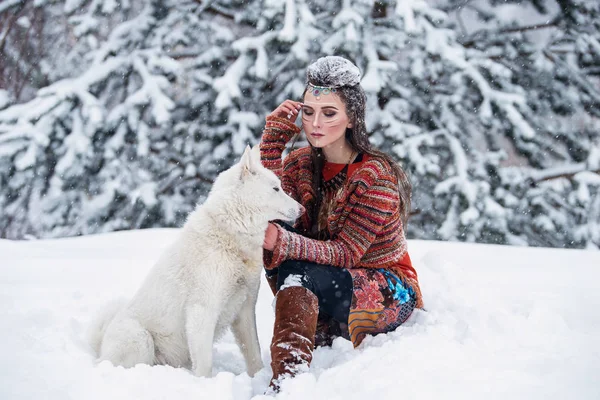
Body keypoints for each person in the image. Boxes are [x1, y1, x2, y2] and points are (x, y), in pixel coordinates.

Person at [259, 56, 424, 391]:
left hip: (387, 290)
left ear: (351, 117)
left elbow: (348, 252)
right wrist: (272, 145)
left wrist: (284, 242)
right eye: (308, 111)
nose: (315, 122)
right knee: (279, 243)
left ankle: (287, 386)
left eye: (329, 113)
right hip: (331, 282)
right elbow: (274, 209)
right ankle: (314, 333)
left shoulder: (374, 176)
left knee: (291, 256)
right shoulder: (301, 163)